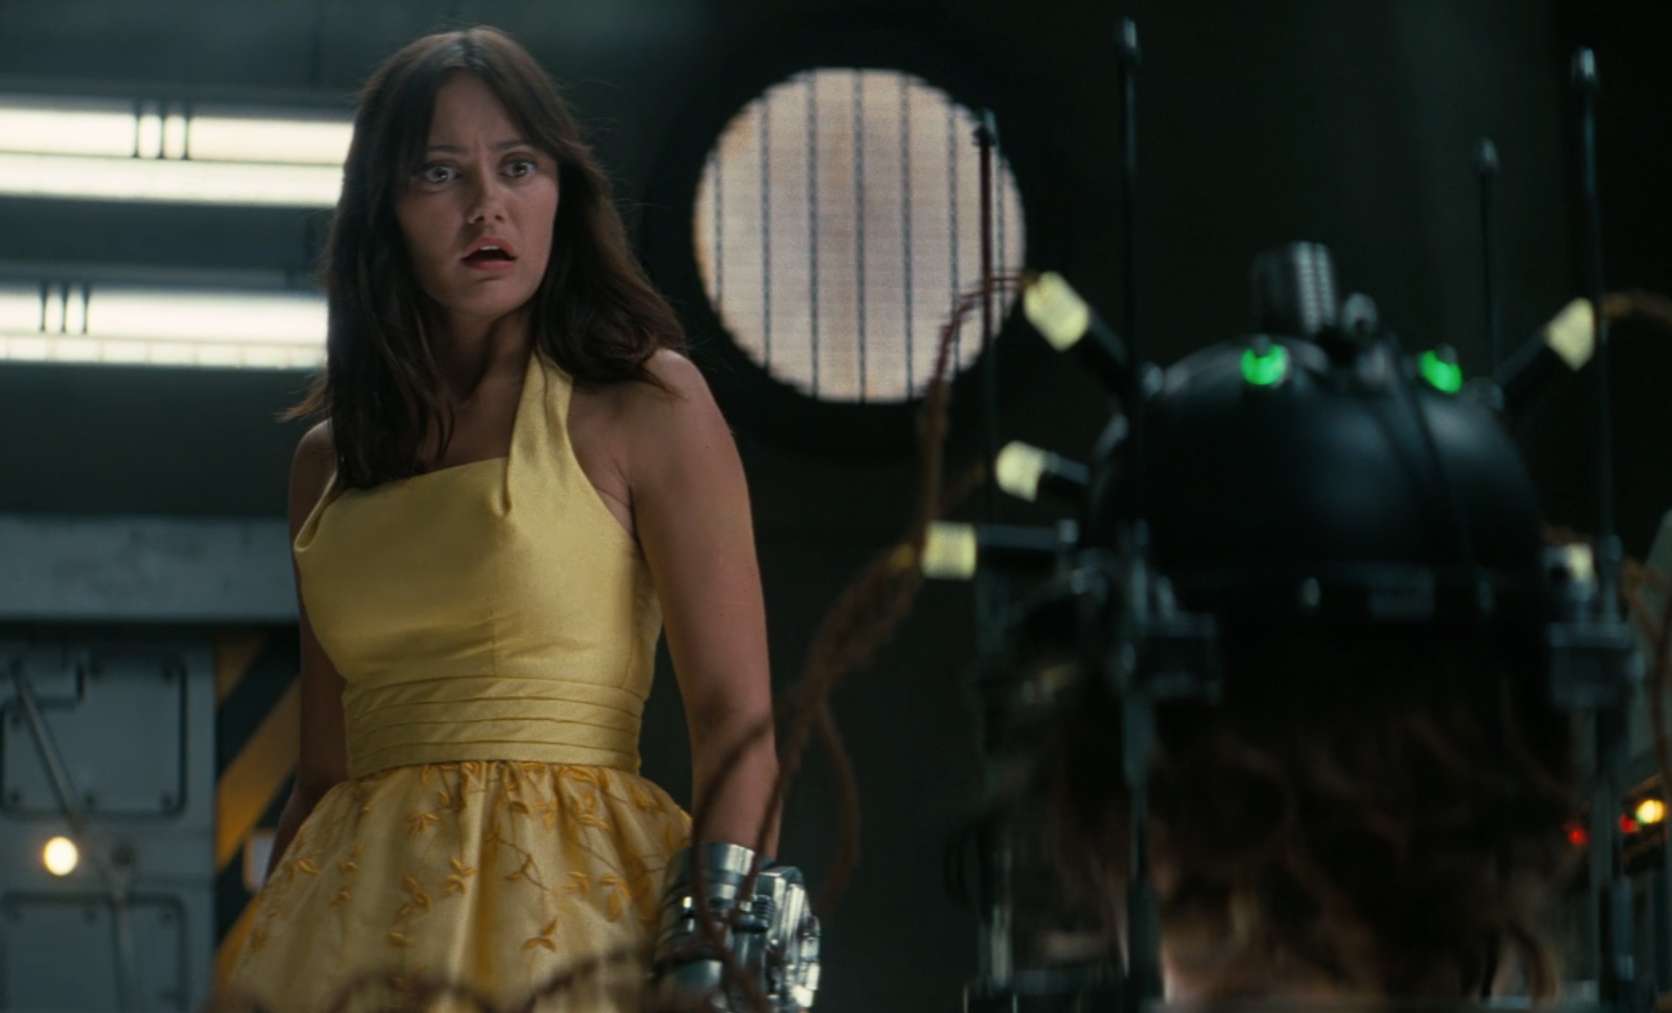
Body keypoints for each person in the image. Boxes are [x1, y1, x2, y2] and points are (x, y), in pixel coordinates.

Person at [222, 25, 778, 1011]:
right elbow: (322, 765)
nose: (487, 205)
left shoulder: (646, 404)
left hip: (580, 921)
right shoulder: (327, 463)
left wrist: (715, 961)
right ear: (384, 209)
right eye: (439, 173)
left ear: (561, 189)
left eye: (518, 166)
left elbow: (736, 723)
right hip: (347, 931)